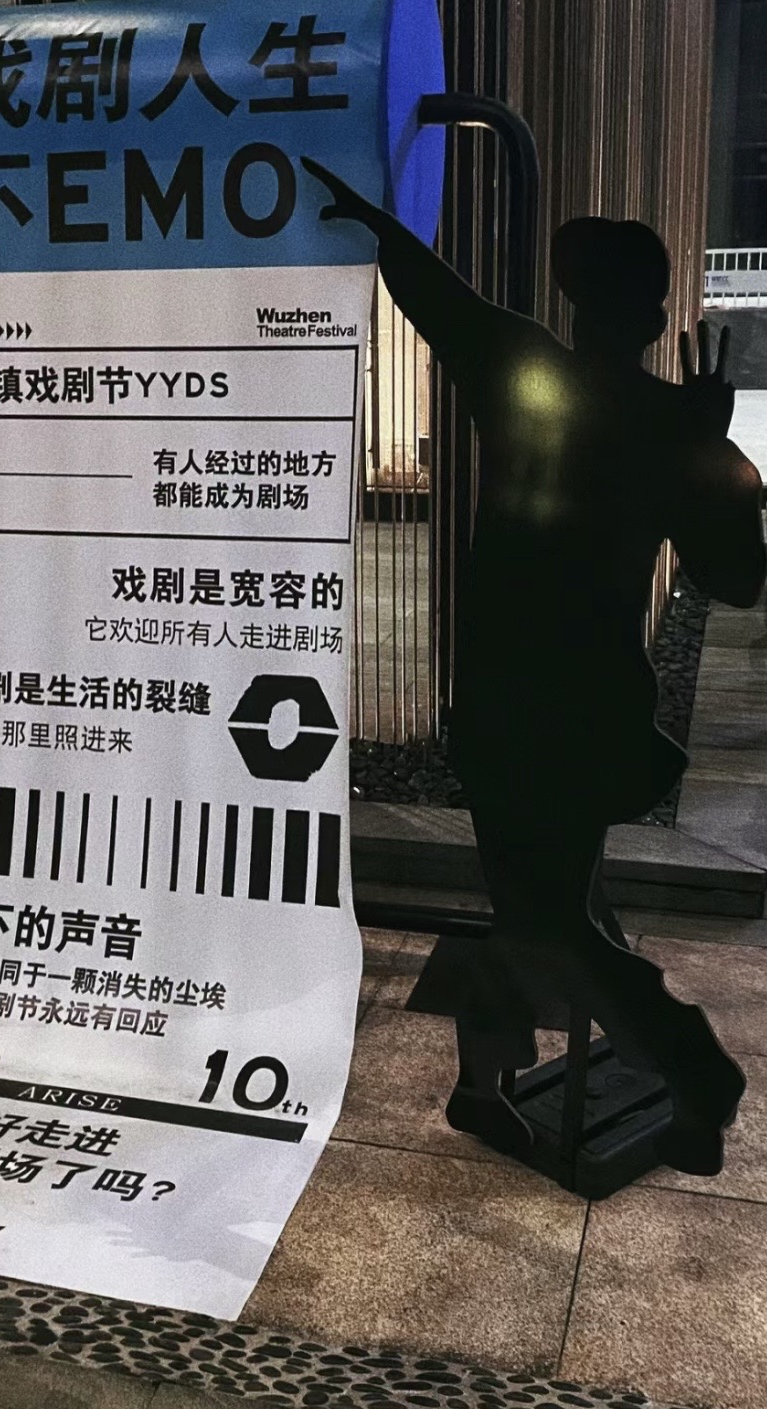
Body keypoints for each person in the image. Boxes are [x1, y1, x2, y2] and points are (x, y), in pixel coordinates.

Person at [303, 157, 767, 1174]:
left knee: (545, 916)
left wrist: (374, 220)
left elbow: (437, 297)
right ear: (655, 314)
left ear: (571, 301)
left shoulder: (520, 367)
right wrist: (708, 443)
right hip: (591, 712)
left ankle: (688, 1076)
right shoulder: (666, 423)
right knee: (538, 909)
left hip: (508, 704)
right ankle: (491, 1089)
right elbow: (737, 578)